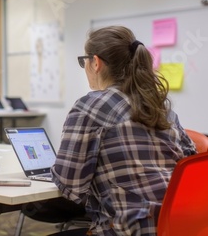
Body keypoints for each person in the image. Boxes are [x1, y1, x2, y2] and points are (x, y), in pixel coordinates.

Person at [50, 26, 197, 236]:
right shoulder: (161, 108)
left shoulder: (90, 106)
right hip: (179, 225)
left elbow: (70, 185)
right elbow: (191, 166)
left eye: (84, 62)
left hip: (127, 229)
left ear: (96, 62)